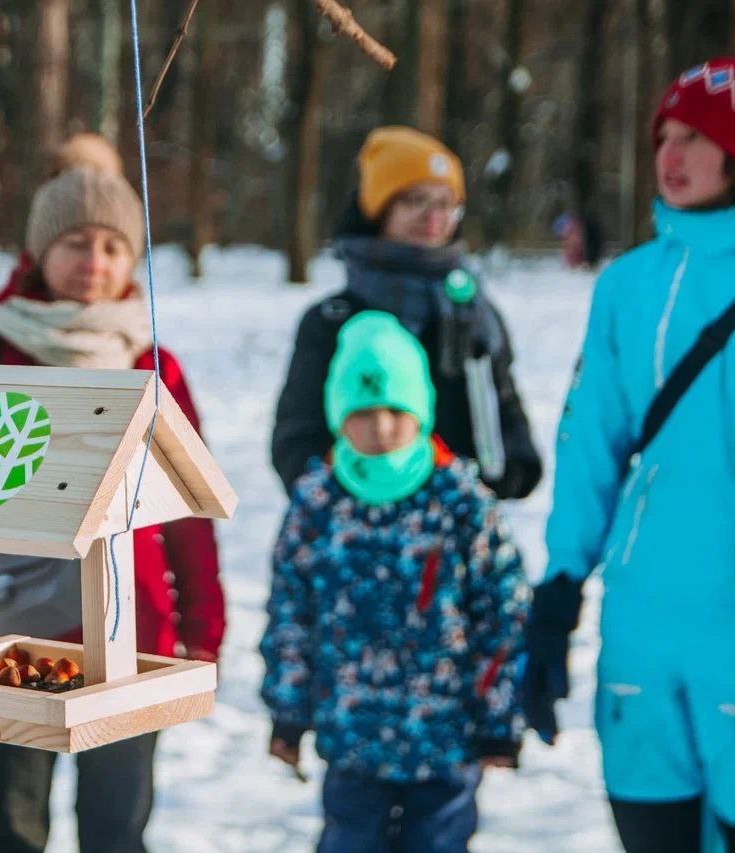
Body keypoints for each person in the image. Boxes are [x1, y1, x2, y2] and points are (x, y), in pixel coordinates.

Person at [0, 136, 226, 853]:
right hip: (8, 640)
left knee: (115, 828)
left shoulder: (154, 363)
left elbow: (187, 505)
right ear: (41, 249)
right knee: (10, 823)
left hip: (131, 636)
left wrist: (204, 622)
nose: (94, 262)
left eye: (112, 246)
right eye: (76, 242)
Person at [526, 57, 735, 853]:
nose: (672, 156)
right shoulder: (625, 286)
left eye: (698, 137)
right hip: (642, 624)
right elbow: (592, 445)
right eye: (664, 136)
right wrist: (559, 586)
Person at [261, 311, 529, 853]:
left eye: (394, 411)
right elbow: (293, 612)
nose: (379, 428)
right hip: (352, 735)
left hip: (446, 739)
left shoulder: (459, 500)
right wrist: (289, 711)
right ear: (339, 415)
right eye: (362, 412)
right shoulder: (319, 501)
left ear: (421, 411)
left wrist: (499, 715)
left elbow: (502, 611)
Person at [271, 126, 542, 501]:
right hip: (359, 527)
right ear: (379, 207)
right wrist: (339, 496)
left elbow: (507, 419)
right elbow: (296, 438)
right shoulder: (333, 321)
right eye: (414, 200)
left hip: (456, 524)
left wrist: (503, 474)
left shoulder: (474, 313)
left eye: (445, 202)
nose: (433, 216)